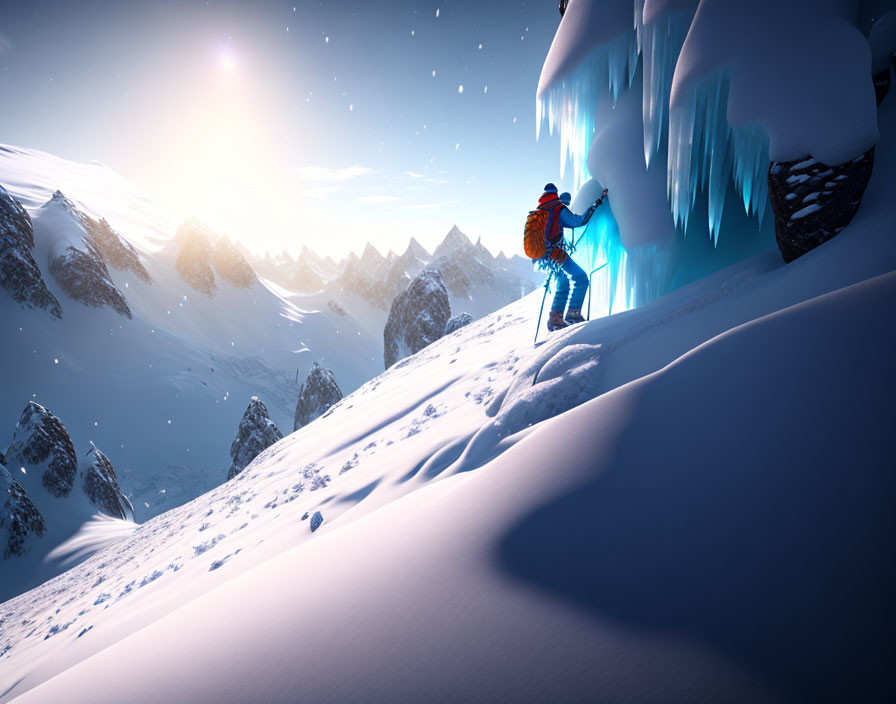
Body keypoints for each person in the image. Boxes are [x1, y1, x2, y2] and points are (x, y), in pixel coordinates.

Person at [535, 183, 602, 331]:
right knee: (581, 278)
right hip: (555, 254)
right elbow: (577, 221)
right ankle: (572, 314)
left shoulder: (540, 210)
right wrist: (593, 207)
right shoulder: (558, 209)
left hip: (542, 256)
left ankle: (555, 319)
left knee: (563, 282)